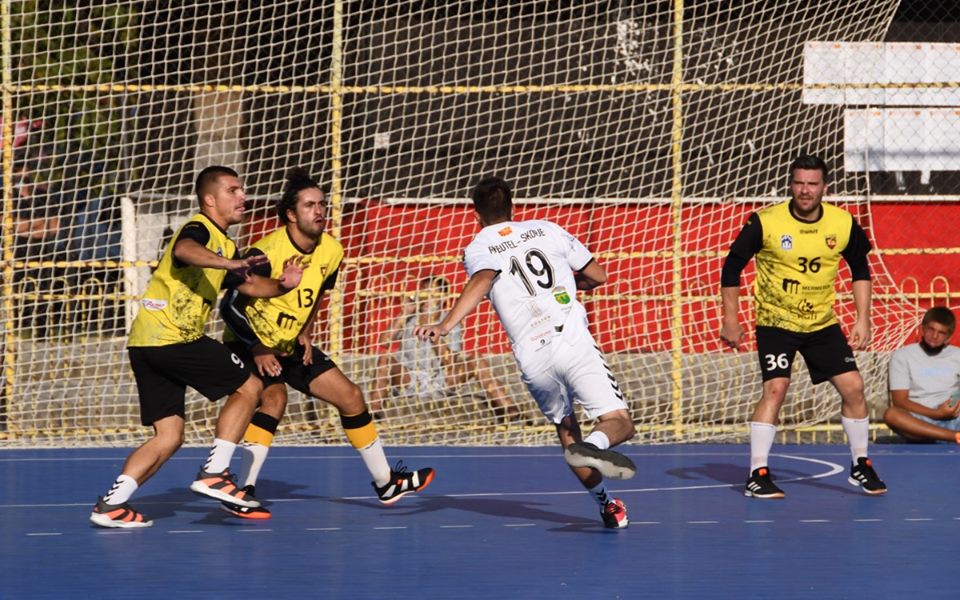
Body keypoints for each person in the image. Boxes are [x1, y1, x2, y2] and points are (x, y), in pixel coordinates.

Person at [414, 176, 637, 529]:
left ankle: (608, 506)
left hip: (533, 357)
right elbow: (598, 275)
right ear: (512, 207)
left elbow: (483, 278)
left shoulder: (477, 246)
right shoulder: (548, 229)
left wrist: (444, 325)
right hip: (571, 341)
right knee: (619, 422)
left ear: (476, 214)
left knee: (567, 429)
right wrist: (568, 284)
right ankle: (594, 446)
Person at [89, 166, 304, 528]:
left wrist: (282, 285)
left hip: (146, 342)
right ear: (209, 199)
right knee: (250, 386)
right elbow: (185, 250)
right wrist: (230, 262)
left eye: (242, 190)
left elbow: (250, 285)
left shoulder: (225, 245)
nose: (243, 196)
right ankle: (215, 472)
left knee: (169, 435)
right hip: (172, 336)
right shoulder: (199, 228)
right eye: (233, 190)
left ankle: (111, 505)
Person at [218, 168, 434, 519]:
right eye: (309, 205)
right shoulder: (265, 253)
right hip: (249, 341)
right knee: (274, 399)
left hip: (289, 341)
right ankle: (241, 490)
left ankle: (386, 483)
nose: (319, 211)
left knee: (351, 397)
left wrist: (306, 330)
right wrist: (257, 347)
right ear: (291, 214)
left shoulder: (332, 249)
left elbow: (318, 293)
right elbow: (229, 306)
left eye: (322, 204)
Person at [720, 154, 887, 498]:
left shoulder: (842, 223)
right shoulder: (766, 221)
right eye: (799, 183)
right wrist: (731, 318)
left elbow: (860, 269)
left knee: (854, 387)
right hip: (776, 321)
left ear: (825, 187)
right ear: (791, 184)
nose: (805, 190)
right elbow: (732, 266)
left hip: (821, 323)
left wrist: (863, 318)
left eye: (812, 184)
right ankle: (757, 473)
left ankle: (861, 464)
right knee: (776, 389)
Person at [369, 274, 522, 421]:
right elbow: (384, 342)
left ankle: (509, 409)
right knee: (384, 358)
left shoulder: (450, 321)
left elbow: (450, 362)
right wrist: (404, 313)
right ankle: (374, 412)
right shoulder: (410, 318)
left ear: (442, 297)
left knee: (477, 360)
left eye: (431, 294)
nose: (426, 297)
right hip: (409, 377)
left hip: (441, 379)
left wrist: (433, 331)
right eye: (424, 293)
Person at [884, 306, 960, 443]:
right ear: (922, 329)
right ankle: (954, 436)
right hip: (920, 421)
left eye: (941, 333)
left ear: (948, 337)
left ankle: (945, 436)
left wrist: (952, 407)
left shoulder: (957, 355)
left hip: (954, 418)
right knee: (891, 414)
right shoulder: (902, 355)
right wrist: (937, 414)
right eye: (931, 329)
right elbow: (900, 401)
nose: (934, 336)